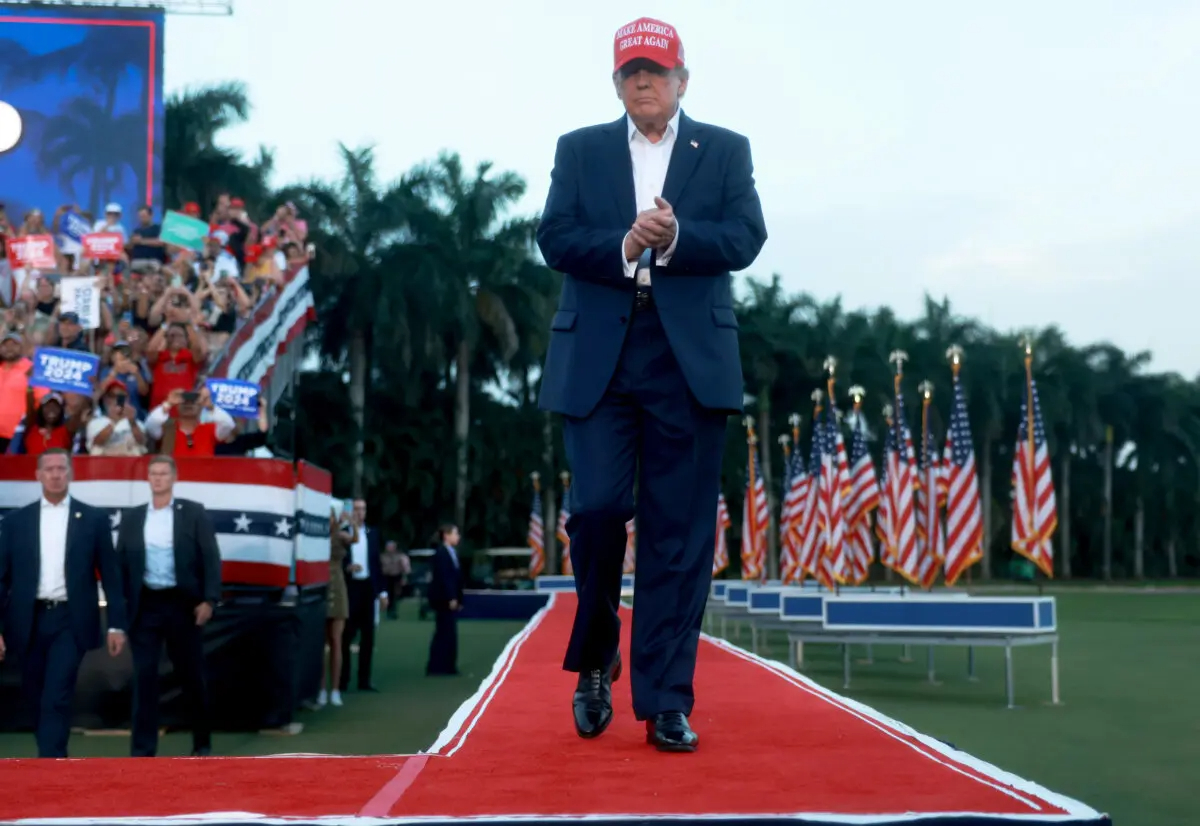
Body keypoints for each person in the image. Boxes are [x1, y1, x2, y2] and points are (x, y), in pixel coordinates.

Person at [535, 17, 767, 752]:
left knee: (678, 536)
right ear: (616, 83)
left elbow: (745, 236)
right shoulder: (580, 149)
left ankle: (666, 698)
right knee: (598, 511)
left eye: (657, 70)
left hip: (688, 361)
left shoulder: (724, 149)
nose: (644, 80)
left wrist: (677, 239)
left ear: (682, 81)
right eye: (632, 71)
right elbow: (554, 238)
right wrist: (622, 245)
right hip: (601, 357)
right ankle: (597, 657)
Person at [0, 448, 128, 758]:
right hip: (28, 620)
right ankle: (51, 755)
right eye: (50, 469)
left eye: (61, 468)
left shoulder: (93, 519)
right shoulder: (17, 521)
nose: (56, 474)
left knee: (56, 695)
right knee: (34, 695)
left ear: (70, 473)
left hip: (71, 620)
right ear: (38, 475)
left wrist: (116, 624)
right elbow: (2, 578)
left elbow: (111, 576)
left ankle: (51, 763)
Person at [116, 455, 221, 756]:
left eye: (163, 473)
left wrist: (209, 599)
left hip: (183, 605)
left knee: (191, 676)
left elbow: (210, 557)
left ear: (174, 478)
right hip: (146, 605)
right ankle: (142, 751)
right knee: (145, 677)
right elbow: (121, 562)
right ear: (147, 479)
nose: (158, 479)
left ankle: (202, 744)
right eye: (153, 474)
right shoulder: (133, 517)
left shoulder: (193, 513)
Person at [339, 498, 387, 693]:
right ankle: (342, 680)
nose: (360, 513)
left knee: (368, 636)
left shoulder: (373, 534)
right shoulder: (342, 534)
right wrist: (347, 568)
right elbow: (334, 560)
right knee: (346, 635)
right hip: (350, 588)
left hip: (368, 588)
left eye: (362, 509)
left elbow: (377, 564)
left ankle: (364, 680)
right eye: (356, 509)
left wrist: (382, 592)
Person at [319, 508, 355, 707]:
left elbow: (355, 539)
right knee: (322, 642)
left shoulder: (342, 535)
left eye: (331, 515)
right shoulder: (316, 535)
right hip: (323, 585)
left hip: (339, 585)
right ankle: (322, 689)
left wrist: (351, 522)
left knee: (337, 640)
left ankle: (335, 689)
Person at [425, 524, 462, 676]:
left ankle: (447, 664)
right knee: (444, 631)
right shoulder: (441, 553)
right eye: (455, 533)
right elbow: (444, 578)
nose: (458, 537)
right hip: (443, 599)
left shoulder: (452, 553)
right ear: (446, 535)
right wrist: (451, 597)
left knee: (448, 632)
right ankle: (437, 665)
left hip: (450, 598)